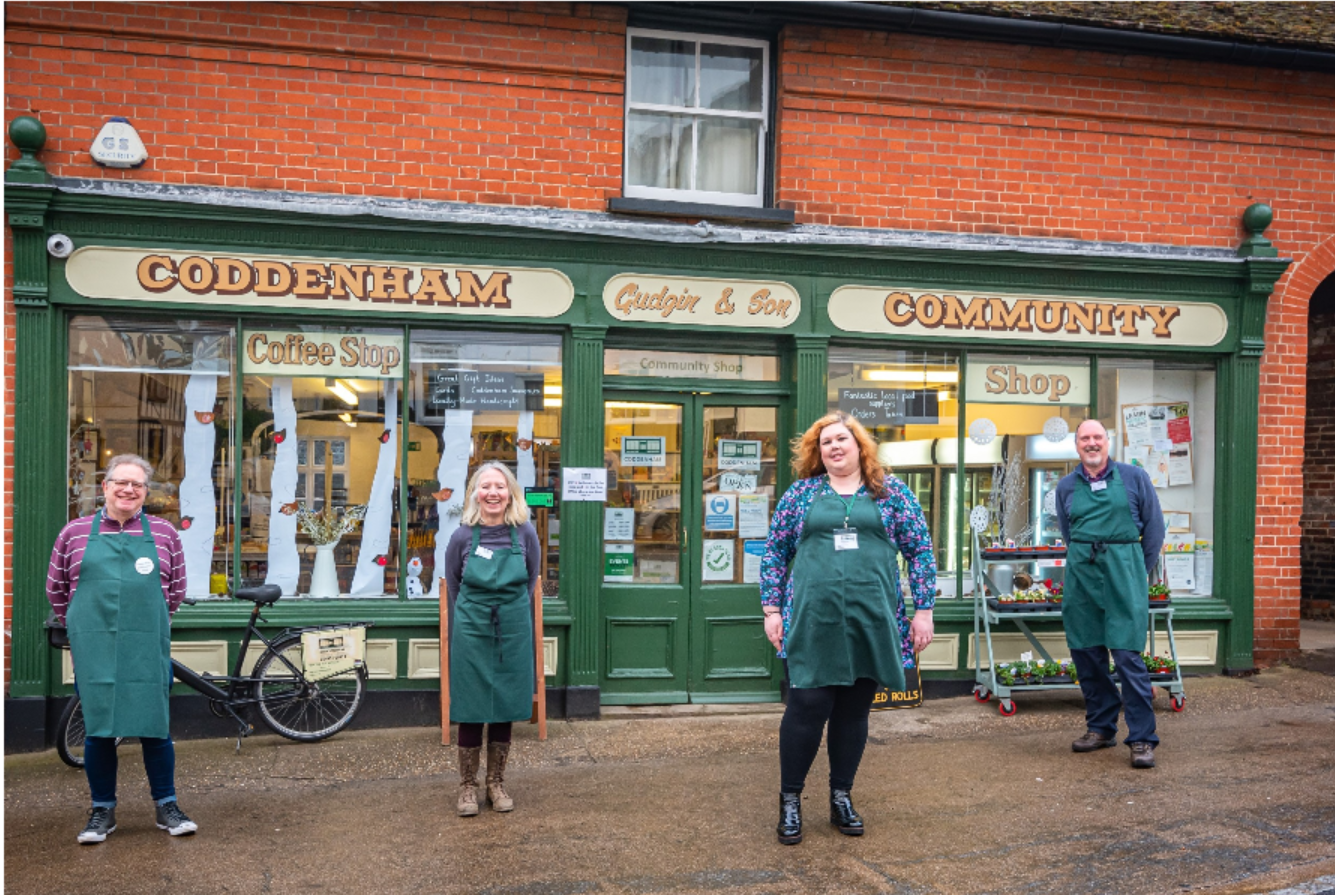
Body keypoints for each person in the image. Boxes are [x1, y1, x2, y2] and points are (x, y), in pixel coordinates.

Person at [759, 412, 937, 845]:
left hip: (872, 619)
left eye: (842, 439)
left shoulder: (891, 493)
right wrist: (771, 609)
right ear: (817, 453)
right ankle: (790, 800)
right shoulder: (801, 494)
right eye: (825, 443)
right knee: (807, 706)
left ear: (859, 445)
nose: (834, 447)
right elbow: (775, 553)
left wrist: (924, 610)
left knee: (854, 711)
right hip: (812, 619)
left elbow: (921, 552)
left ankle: (841, 797)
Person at [46, 454, 196, 844]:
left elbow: (175, 592)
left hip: (146, 646)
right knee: (98, 730)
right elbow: (57, 591)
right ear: (105, 487)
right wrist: (84, 627)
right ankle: (102, 811)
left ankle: (167, 806)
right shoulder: (74, 533)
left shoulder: (164, 533)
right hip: (94, 650)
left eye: (137, 485)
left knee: (155, 728)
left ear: (146, 492)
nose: (128, 490)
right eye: (121, 483)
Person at [1055, 419, 1165, 769]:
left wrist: (1133, 570)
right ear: (1077, 446)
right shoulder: (1066, 487)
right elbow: (1069, 533)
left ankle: (1142, 738)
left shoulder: (1135, 479)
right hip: (1083, 575)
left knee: (1127, 656)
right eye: (1085, 438)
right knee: (1087, 654)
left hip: (1124, 573)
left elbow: (1155, 532)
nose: (1092, 443)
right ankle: (1101, 728)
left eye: (1097, 437)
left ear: (1108, 442)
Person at [444, 460, 541, 816]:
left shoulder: (526, 533)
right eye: (485, 487)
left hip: (513, 629)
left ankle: (495, 784)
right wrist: (474, 616)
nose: (493, 493)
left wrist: (508, 610)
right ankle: (467, 787)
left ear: (510, 493)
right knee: (471, 708)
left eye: (500, 487)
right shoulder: (462, 537)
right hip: (471, 628)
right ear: (475, 494)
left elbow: (531, 580)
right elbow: (454, 584)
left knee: (504, 705)